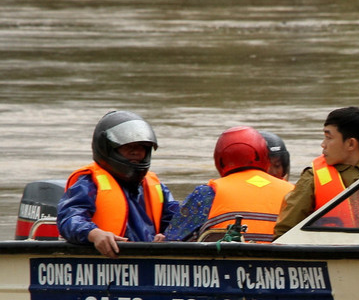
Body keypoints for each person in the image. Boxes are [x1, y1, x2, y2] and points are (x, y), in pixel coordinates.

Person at [57, 110, 181, 257]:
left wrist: (169, 236)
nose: (135, 152)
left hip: (148, 261)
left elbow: (178, 219)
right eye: (127, 146)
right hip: (106, 263)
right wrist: (94, 234)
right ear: (107, 148)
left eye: (141, 146)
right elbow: (69, 218)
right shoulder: (88, 183)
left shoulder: (157, 187)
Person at [274, 106, 359, 237]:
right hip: (330, 254)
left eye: (329, 137)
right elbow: (284, 233)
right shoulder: (312, 177)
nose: (323, 144)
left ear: (350, 144)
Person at [166, 126, 294, 242]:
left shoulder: (207, 192)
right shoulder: (293, 192)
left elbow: (172, 238)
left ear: (219, 159)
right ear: (264, 155)